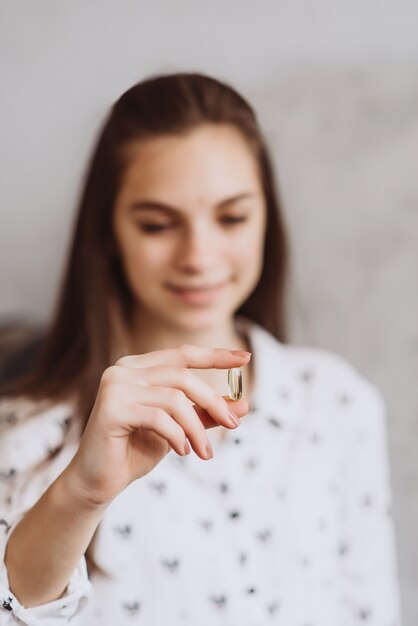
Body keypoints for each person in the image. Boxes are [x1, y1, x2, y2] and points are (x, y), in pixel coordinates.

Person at [0, 73, 400, 626]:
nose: (199, 255)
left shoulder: (338, 405)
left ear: (267, 219)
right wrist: (81, 495)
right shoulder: (30, 434)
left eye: (232, 217)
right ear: (111, 231)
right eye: (159, 225)